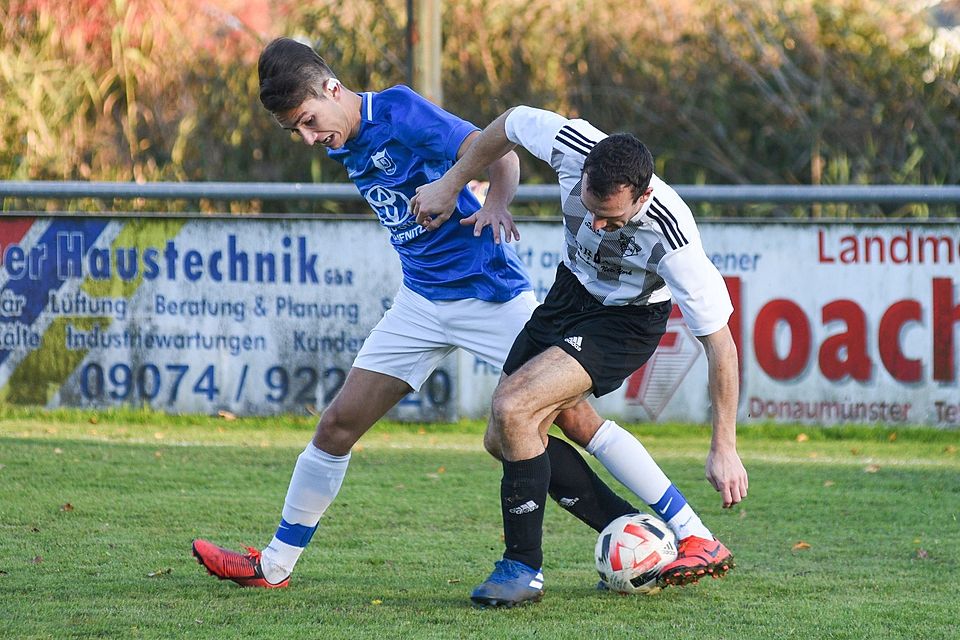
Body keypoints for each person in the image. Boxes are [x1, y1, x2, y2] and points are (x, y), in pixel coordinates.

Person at [191, 38, 697, 592]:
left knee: (567, 420)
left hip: (489, 297)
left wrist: (497, 203)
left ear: (334, 90)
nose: (310, 138)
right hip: (420, 304)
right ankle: (274, 566)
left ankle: (683, 531)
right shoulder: (342, 138)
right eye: (297, 131)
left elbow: (499, 151)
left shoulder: (400, 111)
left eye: (310, 121)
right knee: (336, 426)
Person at [412, 106, 748, 607]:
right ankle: (678, 534)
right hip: (568, 296)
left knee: (514, 409)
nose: (594, 222)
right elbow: (509, 122)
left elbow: (720, 345)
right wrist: (455, 183)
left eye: (610, 217)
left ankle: (523, 569)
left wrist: (725, 446)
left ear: (644, 195)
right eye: (588, 207)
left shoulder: (674, 240)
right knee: (502, 437)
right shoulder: (573, 145)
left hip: (626, 321)